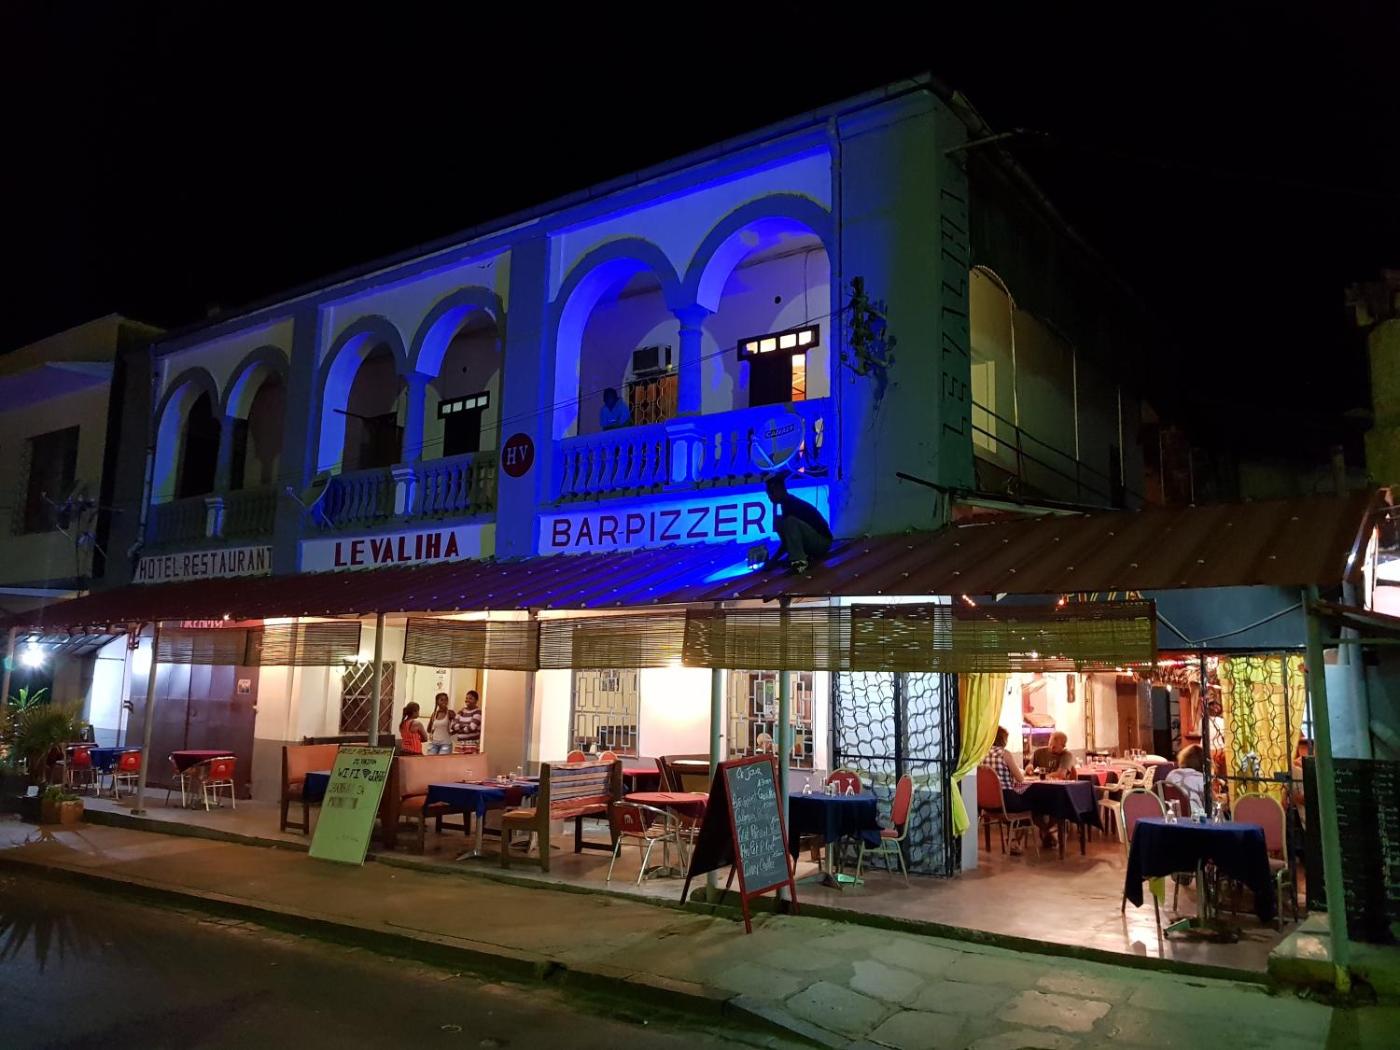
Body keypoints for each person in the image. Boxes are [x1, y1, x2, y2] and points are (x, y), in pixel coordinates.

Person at [761, 469, 832, 576]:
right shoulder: (786, 505)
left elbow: (789, 539)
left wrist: (774, 560)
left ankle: (799, 564)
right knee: (780, 522)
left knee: (789, 522)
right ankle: (796, 558)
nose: (769, 498)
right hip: (814, 543)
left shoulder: (791, 505)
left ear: (779, 489)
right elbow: (788, 541)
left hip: (823, 543)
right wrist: (774, 560)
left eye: (770, 493)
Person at [981, 726, 1031, 855]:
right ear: (1003, 739)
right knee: (1032, 802)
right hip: (1006, 801)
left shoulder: (981, 754)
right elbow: (1020, 779)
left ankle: (1013, 839)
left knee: (1017, 803)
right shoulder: (1005, 754)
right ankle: (1016, 840)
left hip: (986, 804)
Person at [1165, 744, 1207, 817]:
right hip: (1196, 817)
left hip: (1175, 815)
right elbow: (1210, 803)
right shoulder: (1200, 778)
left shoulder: (1171, 774)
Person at [451, 689, 483, 753]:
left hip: (472, 744)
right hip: (460, 743)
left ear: (476, 701)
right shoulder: (461, 711)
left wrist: (459, 729)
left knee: (470, 759)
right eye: (466, 698)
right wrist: (464, 726)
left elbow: (472, 727)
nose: (467, 700)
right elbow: (453, 725)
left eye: (470, 698)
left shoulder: (478, 712)